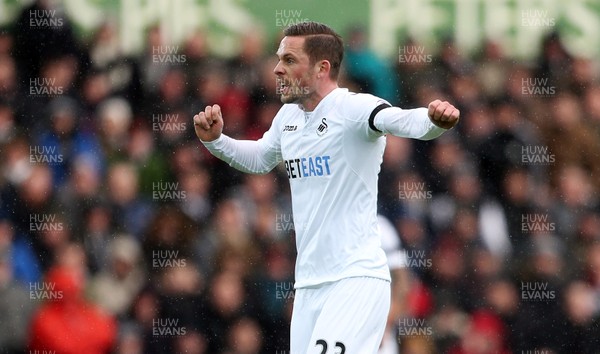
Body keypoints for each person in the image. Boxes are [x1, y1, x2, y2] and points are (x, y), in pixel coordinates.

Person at [193, 21, 459, 354]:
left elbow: (404, 121)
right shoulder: (288, 117)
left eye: (289, 60)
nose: (277, 69)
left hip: (355, 280)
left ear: (322, 68)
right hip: (308, 286)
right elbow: (260, 157)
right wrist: (217, 141)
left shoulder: (353, 109)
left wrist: (434, 121)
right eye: (279, 59)